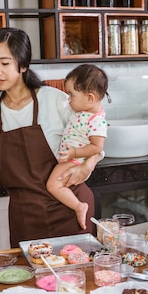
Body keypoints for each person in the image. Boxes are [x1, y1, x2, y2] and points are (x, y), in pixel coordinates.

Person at [0, 27, 101, 247]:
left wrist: (87, 166)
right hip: (25, 218)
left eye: (4, 63)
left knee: (76, 278)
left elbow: (96, 138)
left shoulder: (55, 99)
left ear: (22, 65)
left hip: (69, 208)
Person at [46, 64, 108, 230]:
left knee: (53, 185)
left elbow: (97, 147)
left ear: (90, 98)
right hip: (74, 159)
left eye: (71, 95)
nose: (68, 99)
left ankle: (79, 206)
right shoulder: (82, 112)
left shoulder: (96, 120)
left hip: (76, 161)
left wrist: (74, 153)